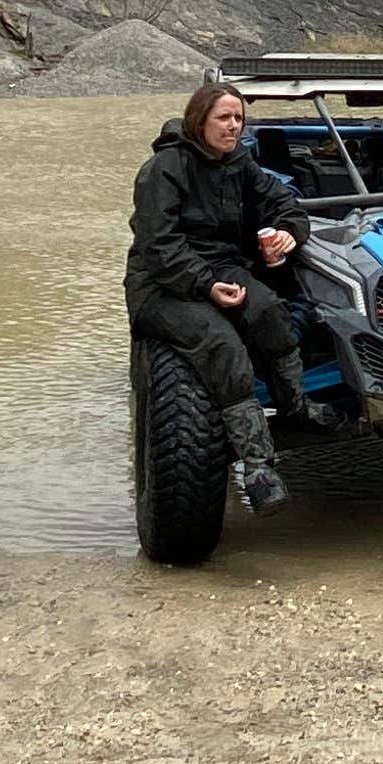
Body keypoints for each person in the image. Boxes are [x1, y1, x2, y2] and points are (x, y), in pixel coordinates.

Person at [126, 78, 310, 508]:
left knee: (269, 311)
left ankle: (297, 407)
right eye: (224, 118)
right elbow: (159, 246)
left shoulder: (238, 163)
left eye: (240, 119)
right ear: (199, 121)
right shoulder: (164, 169)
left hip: (219, 270)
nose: (234, 127)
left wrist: (288, 233)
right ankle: (259, 468)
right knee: (224, 347)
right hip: (160, 286)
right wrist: (206, 286)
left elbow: (282, 201)